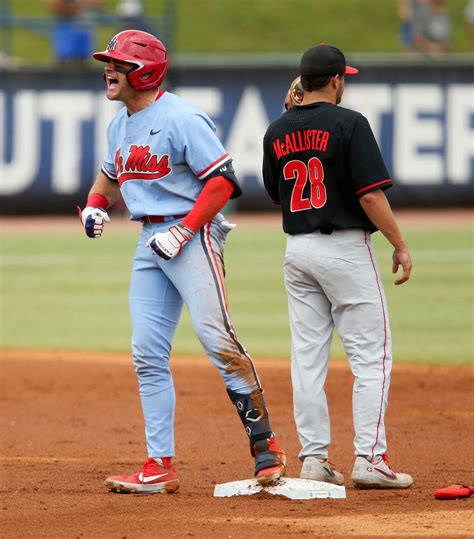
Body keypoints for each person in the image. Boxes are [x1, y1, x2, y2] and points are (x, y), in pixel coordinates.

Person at [78, 29, 286, 494]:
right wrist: (95, 203)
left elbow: (223, 183)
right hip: (150, 239)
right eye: (108, 62)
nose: (109, 70)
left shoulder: (182, 117)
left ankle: (265, 446)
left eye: (118, 64)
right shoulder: (120, 123)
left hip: (193, 233)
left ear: (145, 71)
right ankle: (159, 465)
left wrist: (186, 229)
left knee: (217, 339)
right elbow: (111, 175)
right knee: (146, 352)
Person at [262, 44, 414, 489]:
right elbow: (370, 195)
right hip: (345, 248)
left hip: (297, 250)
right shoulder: (350, 122)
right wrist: (399, 243)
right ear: (334, 80)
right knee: (372, 358)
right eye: (342, 77)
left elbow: (278, 195)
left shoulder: (276, 129)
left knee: (307, 359)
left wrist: (289, 123)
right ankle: (369, 458)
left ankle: (314, 459)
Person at [47, 0, 102, 64]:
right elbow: (57, 6)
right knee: (64, 63)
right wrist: (84, 6)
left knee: (83, 63)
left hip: (85, 34)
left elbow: (99, 4)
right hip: (65, 34)